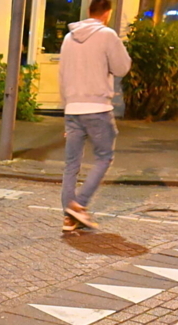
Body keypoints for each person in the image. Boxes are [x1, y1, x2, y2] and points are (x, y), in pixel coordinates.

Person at [58, 0, 131, 232]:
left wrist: (66, 109)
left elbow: (62, 75)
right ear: (107, 13)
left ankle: (68, 218)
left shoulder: (68, 38)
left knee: (71, 164)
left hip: (72, 108)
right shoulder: (107, 35)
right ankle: (78, 205)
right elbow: (122, 68)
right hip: (97, 107)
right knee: (104, 156)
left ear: (88, 11)